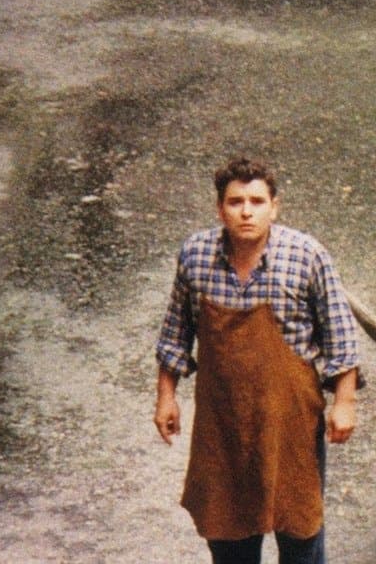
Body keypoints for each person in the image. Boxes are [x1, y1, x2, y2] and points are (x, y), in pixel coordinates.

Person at [153, 157, 361, 563]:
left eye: (256, 201)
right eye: (235, 202)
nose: (246, 211)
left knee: (299, 530)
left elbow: (341, 337)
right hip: (223, 424)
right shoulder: (195, 257)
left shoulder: (306, 256)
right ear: (220, 209)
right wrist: (166, 396)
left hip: (291, 423)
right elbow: (176, 333)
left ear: (274, 206)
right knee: (228, 534)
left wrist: (344, 403)